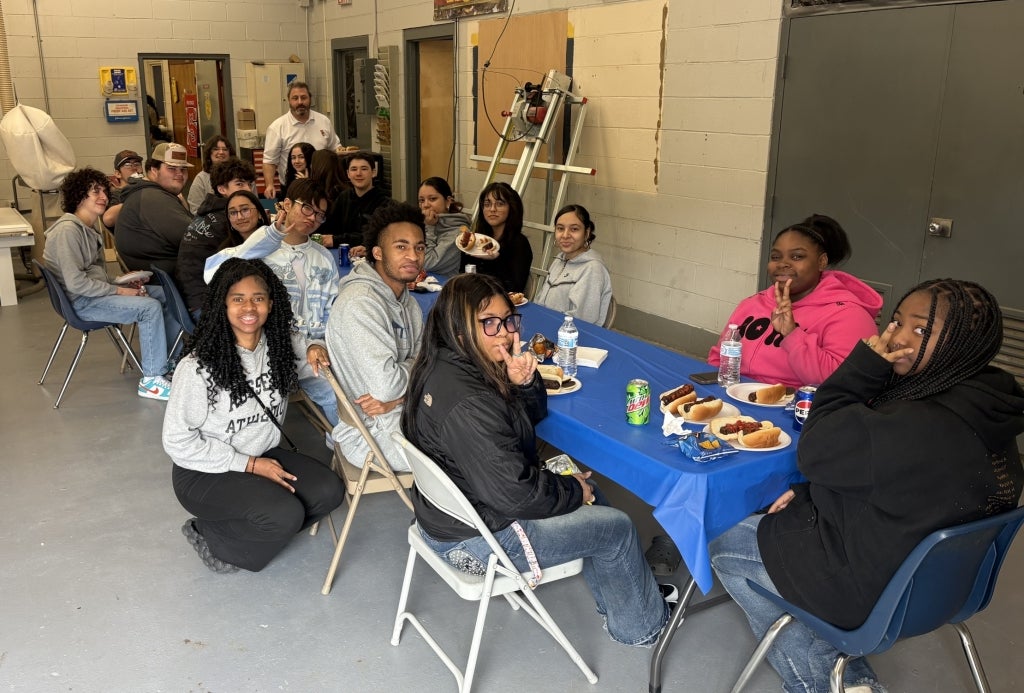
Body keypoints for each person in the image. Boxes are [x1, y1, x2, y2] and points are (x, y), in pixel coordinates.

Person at [709, 278, 1024, 693]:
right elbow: (898, 482)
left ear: (964, 342)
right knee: (791, 504)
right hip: (949, 588)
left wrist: (859, 371)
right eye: (897, 322)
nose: (899, 339)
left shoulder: (917, 424)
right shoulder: (988, 403)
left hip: (871, 592)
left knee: (723, 539)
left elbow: (815, 452)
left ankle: (827, 679)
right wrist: (809, 495)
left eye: (922, 330)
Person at [402, 273, 672, 647]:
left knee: (589, 490)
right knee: (617, 527)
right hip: (479, 544)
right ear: (460, 328)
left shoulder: (444, 365)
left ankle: (628, 595)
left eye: (509, 320)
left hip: (451, 519)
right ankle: (642, 626)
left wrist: (522, 383)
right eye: (490, 323)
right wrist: (572, 491)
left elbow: (519, 428)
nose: (505, 333)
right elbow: (516, 495)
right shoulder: (470, 401)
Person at [164, 258, 345, 573]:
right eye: (237, 299)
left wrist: (316, 346)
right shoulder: (197, 367)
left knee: (329, 491)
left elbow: (313, 356)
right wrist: (248, 464)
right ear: (223, 304)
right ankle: (208, 533)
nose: (249, 307)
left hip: (261, 453)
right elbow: (177, 441)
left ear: (271, 304)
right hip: (203, 470)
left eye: (258, 298)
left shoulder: (279, 346)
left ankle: (251, 524)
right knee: (284, 515)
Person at [204, 179, 340, 428]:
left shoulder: (322, 257)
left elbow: (331, 308)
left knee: (340, 390)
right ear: (286, 204)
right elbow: (212, 272)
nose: (313, 218)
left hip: (312, 348)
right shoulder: (262, 249)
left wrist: (318, 342)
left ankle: (344, 445)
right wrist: (274, 234)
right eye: (307, 208)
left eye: (320, 214)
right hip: (268, 350)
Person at [42, 167, 176, 401]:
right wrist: (120, 290)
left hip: (92, 295)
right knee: (149, 307)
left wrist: (124, 280)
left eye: (105, 190)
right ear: (79, 195)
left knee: (163, 293)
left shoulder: (87, 228)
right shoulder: (67, 232)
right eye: (95, 192)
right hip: (82, 304)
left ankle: (164, 360)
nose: (104, 196)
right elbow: (76, 284)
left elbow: (92, 274)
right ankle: (152, 380)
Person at [708, 214, 882, 388]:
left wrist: (792, 335)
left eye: (797, 257)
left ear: (821, 262)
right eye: (776, 257)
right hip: (733, 397)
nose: (783, 264)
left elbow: (840, 384)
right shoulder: (752, 303)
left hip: (795, 409)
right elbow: (718, 357)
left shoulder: (850, 315)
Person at [326, 202, 425, 471]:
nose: (413, 256)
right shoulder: (361, 303)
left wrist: (399, 397)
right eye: (401, 247)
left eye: (419, 247)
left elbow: (424, 364)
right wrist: (413, 371)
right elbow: (388, 386)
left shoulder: (408, 303)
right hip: (371, 435)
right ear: (378, 253)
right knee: (471, 454)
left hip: (402, 413)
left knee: (480, 427)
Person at [175, 159, 259, 316]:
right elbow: (249, 260)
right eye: (240, 184)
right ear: (222, 189)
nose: (248, 189)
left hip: (191, 298)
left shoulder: (209, 212)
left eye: (249, 184)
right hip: (205, 305)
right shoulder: (227, 219)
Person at [110, 142, 194, 275]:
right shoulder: (153, 198)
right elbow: (195, 238)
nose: (179, 174)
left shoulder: (150, 193)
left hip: (168, 276)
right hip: (168, 284)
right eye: (172, 168)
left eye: (183, 169)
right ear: (154, 170)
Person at [534, 204, 612, 324]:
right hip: (544, 325)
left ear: (586, 233)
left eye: (574, 229)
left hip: (568, 337)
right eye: (560, 228)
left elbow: (581, 320)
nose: (565, 235)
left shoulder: (592, 269)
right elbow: (540, 300)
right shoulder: (559, 259)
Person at [261, 82, 341, 200]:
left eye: (304, 97)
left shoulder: (323, 121)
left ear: (310, 99)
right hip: (292, 188)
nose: (300, 102)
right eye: (295, 98)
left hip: (322, 188)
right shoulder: (277, 127)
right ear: (288, 100)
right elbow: (269, 161)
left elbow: (335, 149)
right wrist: (269, 185)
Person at [460, 182, 533, 293]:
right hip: (473, 298)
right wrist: (465, 247)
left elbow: (515, 288)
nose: (492, 209)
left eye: (499, 204)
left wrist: (496, 259)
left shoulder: (519, 243)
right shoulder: (478, 238)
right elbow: (463, 275)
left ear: (511, 208)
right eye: (487, 204)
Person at [322, 151, 389, 256]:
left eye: (364, 169)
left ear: (374, 172)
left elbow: (376, 235)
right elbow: (330, 227)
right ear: (348, 174)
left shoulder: (384, 202)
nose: (358, 173)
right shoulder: (343, 197)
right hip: (339, 255)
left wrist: (336, 240)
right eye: (354, 169)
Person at [418, 176, 469, 276]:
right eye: (421, 200)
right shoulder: (420, 224)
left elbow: (427, 263)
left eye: (432, 199)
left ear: (448, 201)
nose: (425, 205)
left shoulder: (458, 231)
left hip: (442, 287)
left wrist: (429, 228)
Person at [186, 135, 235, 214]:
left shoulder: (239, 174)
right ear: (209, 153)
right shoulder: (201, 178)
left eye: (225, 149)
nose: (221, 152)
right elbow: (195, 209)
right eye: (216, 149)